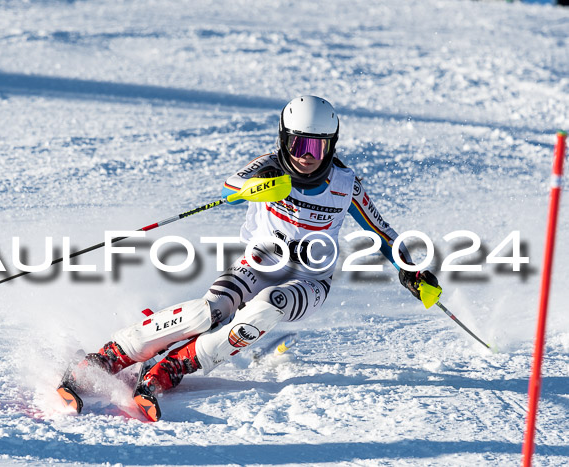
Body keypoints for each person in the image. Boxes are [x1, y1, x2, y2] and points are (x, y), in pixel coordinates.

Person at [57, 95, 439, 421]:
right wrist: (257, 187)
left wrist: (411, 271)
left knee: (265, 309)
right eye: (298, 145)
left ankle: (172, 368)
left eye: (317, 147)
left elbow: (383, 231)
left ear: (331, 146)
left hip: (310, 279)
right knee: (208, 312)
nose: (306, 157)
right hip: (259, 262)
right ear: (284, 139)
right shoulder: (271, 165)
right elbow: (233, 185)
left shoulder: (345, 184)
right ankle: (107, 357)